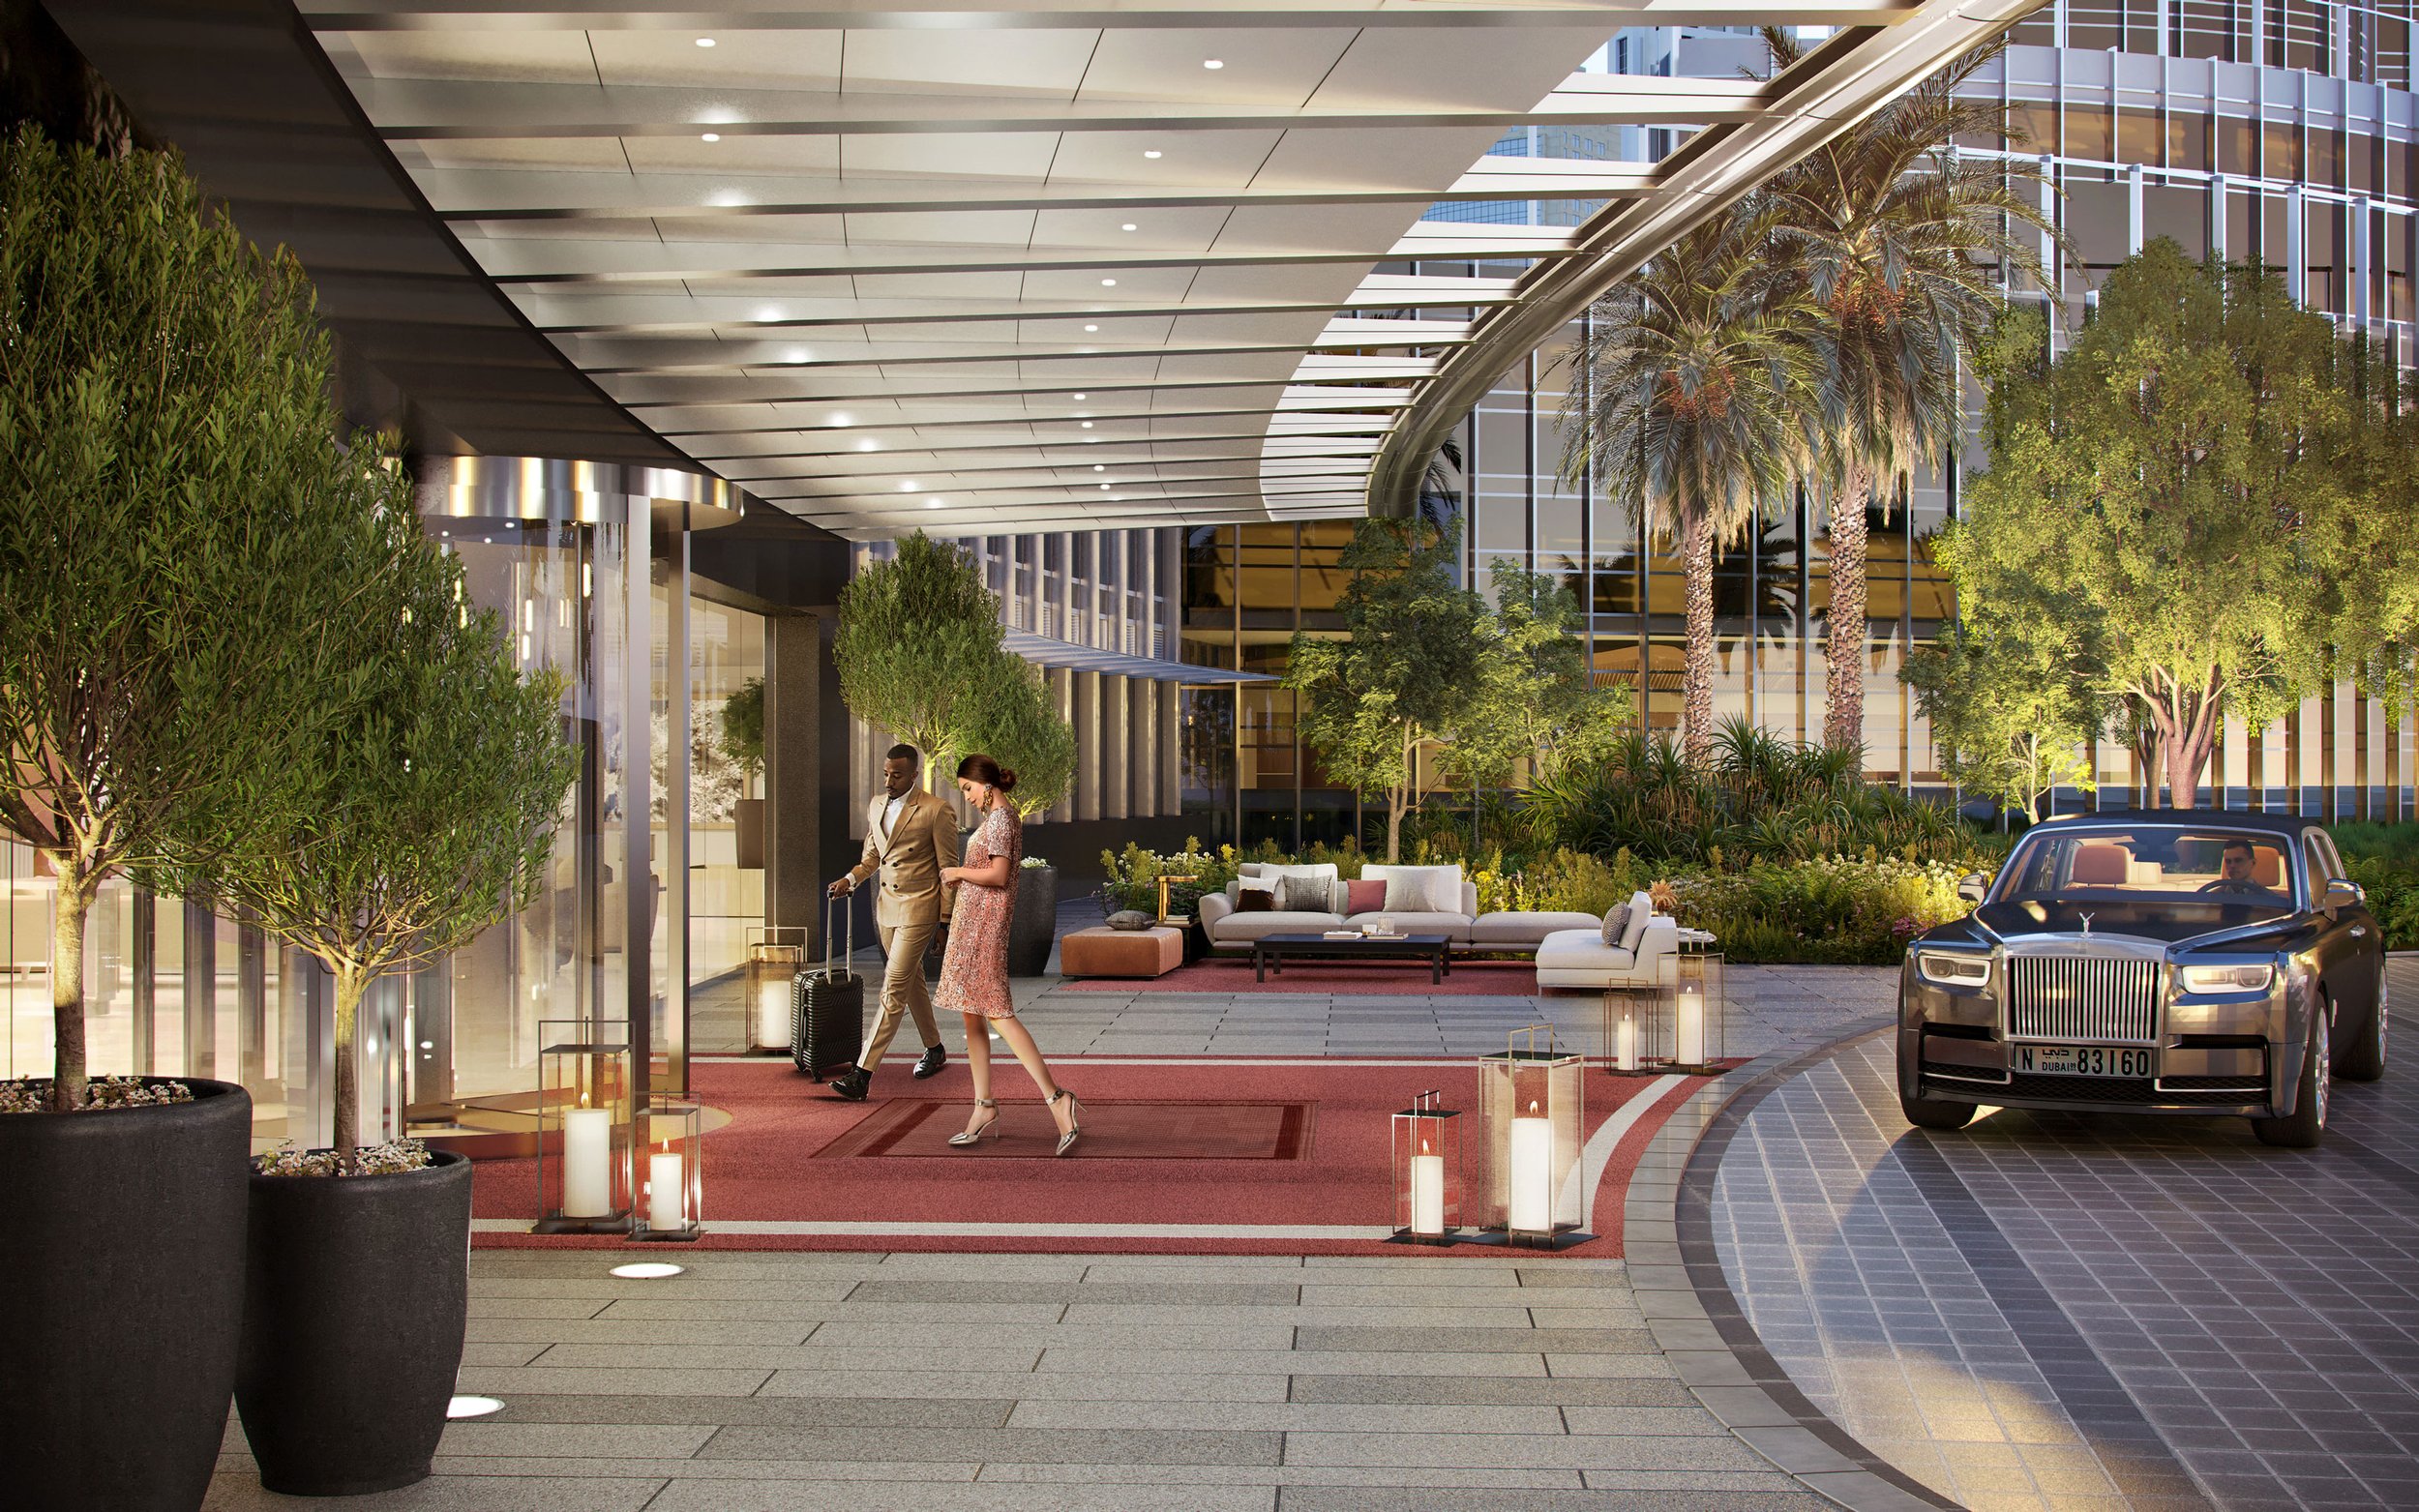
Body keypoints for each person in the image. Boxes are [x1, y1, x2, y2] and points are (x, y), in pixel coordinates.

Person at [934, 753, 1083, 1155]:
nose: (966, 796)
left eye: (968, 788)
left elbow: (998, 875)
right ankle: (983, 1105)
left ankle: (1057, 1098)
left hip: (983, 928)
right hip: (971, 925)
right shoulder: (999, 818)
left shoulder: (1000, 819)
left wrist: (957, 872)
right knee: (972, 1015)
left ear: (987, 785)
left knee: (998, 1012)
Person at [824, 744, 957, 1100]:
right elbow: (871, 858)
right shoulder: (876, 805)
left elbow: (948, 870)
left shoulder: (937, 810)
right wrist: (849, 880)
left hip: (919, 908)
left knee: (893, 988)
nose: (889, 781)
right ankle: (935, 1048)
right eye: (886, 774)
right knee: (911, 981)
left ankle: (862, 1074)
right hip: (887, 909)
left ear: (914, 774)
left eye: (896, 775)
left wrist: (945, 922)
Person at [2199, 838, 2278, 897]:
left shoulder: (2270, 899)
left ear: (2253, 863)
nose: (2232, 865)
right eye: (2228, 861)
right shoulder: (2213, 897)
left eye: (2238, 860)